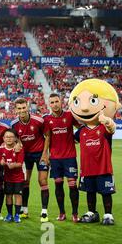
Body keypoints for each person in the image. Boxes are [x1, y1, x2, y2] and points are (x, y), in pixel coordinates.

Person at [68, 79, 121, 225]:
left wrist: (107, 120)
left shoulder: (103, 128)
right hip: (87, 169)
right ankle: (92, 213)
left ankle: (108, 215)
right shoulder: (81, 131)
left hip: (103, 168)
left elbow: (112, 128)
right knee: (89, 192)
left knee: (106, 192)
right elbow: (70, 140)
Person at [42, 93, 80, 222]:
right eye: (51, 102)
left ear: (61, 101)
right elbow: (48, 137)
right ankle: (62, 213)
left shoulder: (69, 115)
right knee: (58, 185)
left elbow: (81, 128)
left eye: (56, 101)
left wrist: (77, 138)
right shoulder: (47, 119)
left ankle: (75, 214)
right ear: (49, 104)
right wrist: (45, 154)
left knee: (72, 185)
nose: (54, 104)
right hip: (55, 159)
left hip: (69, 157)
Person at [11, 98, 48, 222]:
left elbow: (47, 136)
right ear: (16, 110)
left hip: (40, 154)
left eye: (23, 108)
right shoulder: (14, 124)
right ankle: (24, 210)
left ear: (28, 107)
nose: (22, 110)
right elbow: (16, 139)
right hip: (26, 155)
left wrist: (45, 154)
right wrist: (17, 144)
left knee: (42, 181)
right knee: (25, 181)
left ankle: (44, 212)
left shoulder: (39, 120)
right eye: (19, 108)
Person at [0, 129, 25, 224]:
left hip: (18, 177)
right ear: (3, 138)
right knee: (8, 195)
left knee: (18, 195)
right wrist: (2, 163)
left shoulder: (19, 148)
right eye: (7, 137)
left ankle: (17, 215)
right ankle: (9, 214)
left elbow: (20, 163)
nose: (9, 139)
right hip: (7, 177)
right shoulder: (1, 149)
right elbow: (0, 161)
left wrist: (13, 165)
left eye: (11, 137)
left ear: (15, 138)